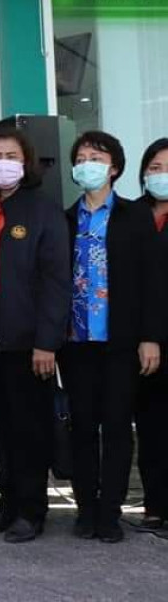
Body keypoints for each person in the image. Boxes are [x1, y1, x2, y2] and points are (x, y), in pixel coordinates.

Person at [0, 128, 70, 543]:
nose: (3, 163)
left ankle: (31, 509)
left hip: (27, 331)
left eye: (12, 155)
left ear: (26, 163)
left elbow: (56, 281)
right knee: (2, 422)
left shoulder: (43, 210)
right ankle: (7, 504)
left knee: (29, 425)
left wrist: (47, 341)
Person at [61, 130, 161, 543]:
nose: (88, 164)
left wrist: (150, 337)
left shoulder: (135, 216)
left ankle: (110, 512)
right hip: (76, 341)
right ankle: (86, 507)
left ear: (114, 168)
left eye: (97, 157)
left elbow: (152, 280)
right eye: (82, 157)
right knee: (82, 427)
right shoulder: (66, 218)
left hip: (121, 340)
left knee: (118, 427)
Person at [135, 138, 168, 534]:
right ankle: (155, 505)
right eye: (155, 167)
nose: (161, 175)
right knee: (151, 423)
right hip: (143, 337)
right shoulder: (133, 215)